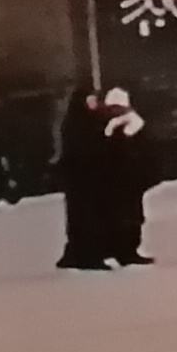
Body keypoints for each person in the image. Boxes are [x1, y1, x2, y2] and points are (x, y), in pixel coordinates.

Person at [55, 86, 150, 270]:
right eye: (89, 100)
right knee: (89, 220)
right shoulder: (77, 124)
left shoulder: (99, 119)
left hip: (107, 177)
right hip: (85, 181)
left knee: (119, 216)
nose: (93, 103)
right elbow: (83, 150)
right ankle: (88, 255)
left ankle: (123, 250)